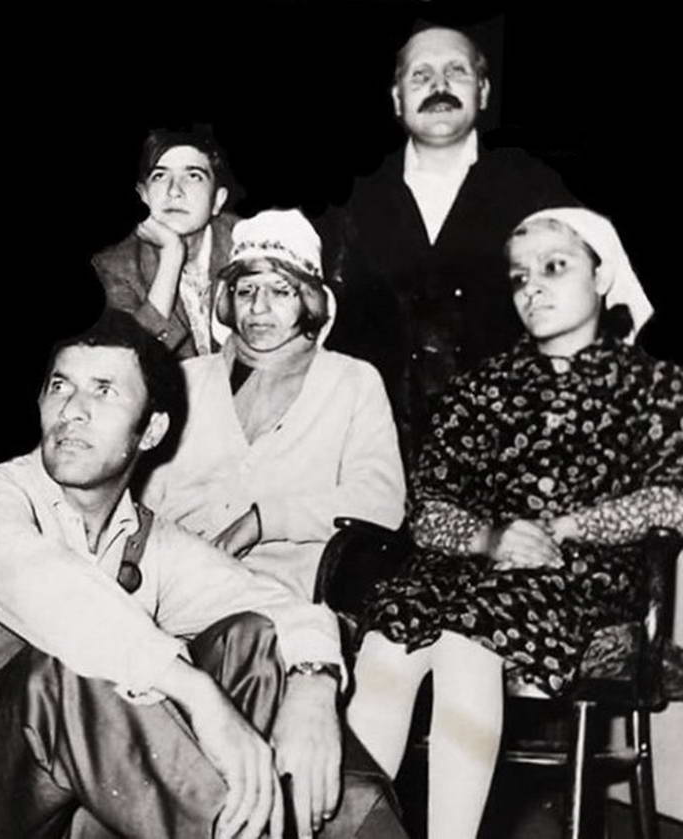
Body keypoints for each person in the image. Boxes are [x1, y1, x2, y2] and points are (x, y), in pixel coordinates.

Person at [0, 309, 407, 838]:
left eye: (104, 390)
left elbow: (281, 608)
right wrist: (199, 695)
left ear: (151, 430)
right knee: (66, 672)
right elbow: (53, 592)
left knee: (256, 638)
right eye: (60, 386)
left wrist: (314, 682)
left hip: (64, 808)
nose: (73, 410)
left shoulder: (149, 541)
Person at [346, 208, 681, 839]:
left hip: (584, 579)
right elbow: (429, 505)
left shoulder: (652, 386)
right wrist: (488, 538)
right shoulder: (487, 387)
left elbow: (672, 498)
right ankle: (354, 831)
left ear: (602, 276)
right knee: (388, 640)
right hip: (474, 570)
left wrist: (569, 527)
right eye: (520, 276)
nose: (533, 288)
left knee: (467, 641)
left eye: (555, 267)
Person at [328, 23, 575, 455]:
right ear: (397, 99)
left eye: (456, 71)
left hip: (513, 450)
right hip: (380, 454)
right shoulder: (352, 203)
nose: (439, 86)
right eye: (421, 75)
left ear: (483, 91)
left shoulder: (538, 192)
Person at [141, 209, 405, 600]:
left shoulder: (352, 382)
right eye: (246, 291)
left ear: (311, 302)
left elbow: (381, 502)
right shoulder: (187, 379)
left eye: (281, 291)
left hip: (277, 599)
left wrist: (264, 521)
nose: (258, 308)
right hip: (167, 587)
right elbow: (142, 503)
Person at [92, 127, 236, 359]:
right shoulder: (115, 267)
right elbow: (125, 361)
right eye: (160, 176)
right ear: (143, 196)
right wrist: (171, 255)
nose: (174, 191)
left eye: (193, 176)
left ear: (217, 201)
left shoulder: (249, 242)